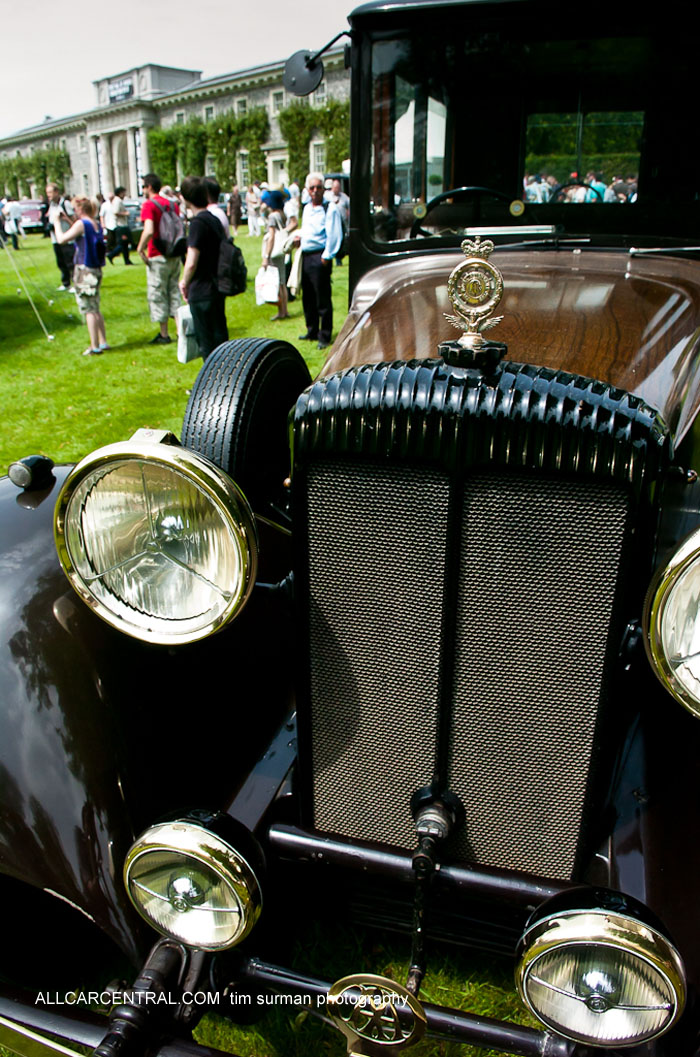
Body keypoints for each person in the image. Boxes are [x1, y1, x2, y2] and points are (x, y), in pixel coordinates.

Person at [178, 175, 228, 361]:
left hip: (201, 289)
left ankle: (212, 386)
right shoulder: (213, 220)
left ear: (185, 198)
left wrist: (184, 282)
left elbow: (191, 261)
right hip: (216, 286)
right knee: (220, 339)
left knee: (206, 343)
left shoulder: (198, 223)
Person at [53, 196, 108, 356]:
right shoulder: (94, 223)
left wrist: (57, 222)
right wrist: (68, 220)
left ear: (80, 209)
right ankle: (102, 341)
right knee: (96, 307)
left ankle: (94, 346)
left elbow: (62, 239)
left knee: (88, 309)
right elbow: (80, 233)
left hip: (84, 269)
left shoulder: (81, 224)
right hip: (95, 268)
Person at [294, 171, 343, 349]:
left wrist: (326, 257)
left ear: (324, 189)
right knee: (308, 297)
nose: (315, 191)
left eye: (319, 187)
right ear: (307, 190)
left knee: (322, 298)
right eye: (312, 188)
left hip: (319, 257)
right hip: (306, 256)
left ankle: (324, 335)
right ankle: (312, 330)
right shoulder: (307, 208)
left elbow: (334, 234)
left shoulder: (330, 208)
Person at [136, 173, 181, 345]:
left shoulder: (149, 205)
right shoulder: (171, 204)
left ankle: (164, 334)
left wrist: (140, 249)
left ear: (148, 187)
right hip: (174, 253)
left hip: (157, 254)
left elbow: (148, 230)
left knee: (159, 293)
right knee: (174, 292)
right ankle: (180, 330)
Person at [260, 188, 289, 320]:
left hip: (274, 251)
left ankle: (280, 311)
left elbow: (271, 236)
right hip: (282, 250)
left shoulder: (272, 216)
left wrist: (266, 255)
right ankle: (285, 310)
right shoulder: (282, 214)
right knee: (282, 281)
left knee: (277, 282)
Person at [46, 183, 74, 289]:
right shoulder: (51, 205)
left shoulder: (65, 204)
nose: (48, 195)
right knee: (61, 261)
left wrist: (65, 218)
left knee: (70, 262)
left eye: (50, 192)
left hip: (66, 237)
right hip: (55, 238)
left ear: (56, 192)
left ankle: (75, 283)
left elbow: (73, 219)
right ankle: (65, 283)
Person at [324, 177, 350, 264]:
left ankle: (340, 258)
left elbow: (350, 205)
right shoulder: (327, 195)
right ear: (332, 188)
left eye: (338, 188)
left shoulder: (344, 196)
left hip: (343, 223)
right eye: (335, 188)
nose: (337, 189)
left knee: (342, 239)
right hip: (332, 223)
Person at [106, 187, 132, 265]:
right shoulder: (117, 201)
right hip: (121, 225)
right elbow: (116, 212)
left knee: (124, 244)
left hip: (122, 224)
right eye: (123, 193)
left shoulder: (117, 200)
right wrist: (125, 213)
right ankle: (111, 255)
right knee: (122, 243)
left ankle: (127, 260)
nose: (124, 194)